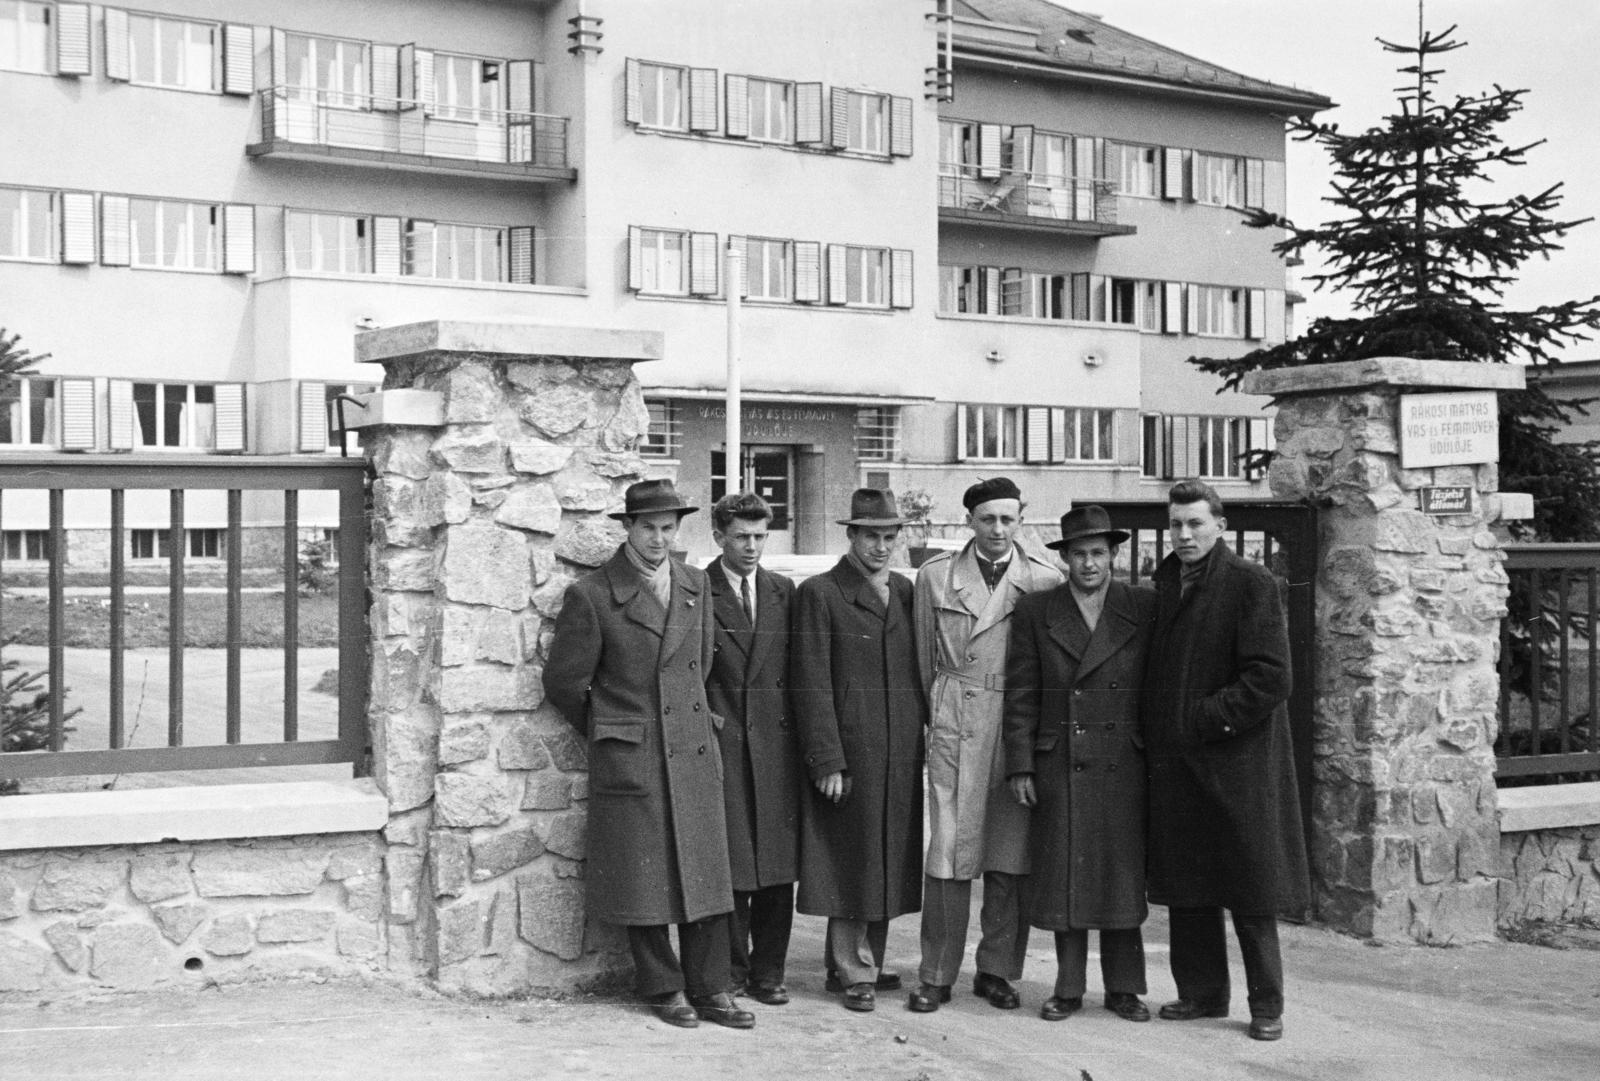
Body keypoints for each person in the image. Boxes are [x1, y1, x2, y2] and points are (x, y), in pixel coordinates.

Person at [544, 479, 755, 1031]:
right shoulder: (593, 594)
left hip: (692, 745)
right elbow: (565, 683)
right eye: (648, 528)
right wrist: (614, 729)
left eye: (668, 528)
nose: (659, 539)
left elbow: (703, 665)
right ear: (629, 529)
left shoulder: (694, 584)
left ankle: (711, 987)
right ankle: (664, 987)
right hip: (635, 755)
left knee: (705, 870)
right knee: (646, 876)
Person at [1143, 479, 1308, 1042]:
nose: (1184, 534)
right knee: (1189, 883)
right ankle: (1202, 993)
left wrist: (1202, 718)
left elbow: (1271, 677)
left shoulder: (1249, 582)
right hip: (1180, 763)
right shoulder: (1168, 581)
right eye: (1176, 524)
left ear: (1220, 526)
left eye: (1195, 523)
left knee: (1250, 888)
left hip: (1238, 762)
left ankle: (1267, 1005)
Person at [908, 477, 1062, 1014]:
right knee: (948, 852)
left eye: (1008, 519)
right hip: (957, 718)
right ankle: (936, 973)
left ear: (1021, 519)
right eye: (987, 519)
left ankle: (997, 970)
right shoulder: (936, 577)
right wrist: (938, 718)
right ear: (969, 521)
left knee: (1009, 853)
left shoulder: (1043, 579)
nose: (998, 530)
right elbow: (922, 660)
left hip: (1017, 724)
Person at [1003, 505, 1155, 1023]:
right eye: (1079, 554)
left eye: (1098, 553)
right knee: (1068, 870)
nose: (1089, 564)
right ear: (1064, 558)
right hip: (1061, 761)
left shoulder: (1143, 605)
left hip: (1123, 761)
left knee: (1120, 873)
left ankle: (1125, 989)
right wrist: (1020, 764)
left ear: (1113, 555)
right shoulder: (1036, 610)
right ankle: (1068, 987)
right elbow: (1021, 693)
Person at [792, 488, 927, 1012]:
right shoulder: (821, 593)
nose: (881, 546)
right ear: (851, 535)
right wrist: (827, 758)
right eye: (871, 535)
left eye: (890, 537)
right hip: (852, 749)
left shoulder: (905, 591)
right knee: (852, 857)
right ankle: (852, 970)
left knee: (887, 854)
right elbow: (810, 680)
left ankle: (864, 959)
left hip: (899, 748)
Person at [703, 492, 801, 1006]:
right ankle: (732, 970)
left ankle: (770, 971)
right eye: (741, 536)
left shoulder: (783, 590)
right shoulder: (698, 588)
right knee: (734, 863)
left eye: (761, 536)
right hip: (726, 745)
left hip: (777, 747)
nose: (752, 547)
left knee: (777, 867)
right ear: (718, 536)